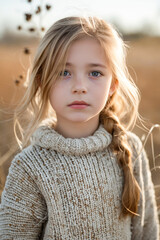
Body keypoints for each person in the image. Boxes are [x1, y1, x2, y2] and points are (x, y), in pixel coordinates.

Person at [0, 16, 159, 239]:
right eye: (63, 72)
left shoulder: (129, 148)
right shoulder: (29, 168)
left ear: (113, 85)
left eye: (95, 73)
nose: (80, 87)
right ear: (41, 81)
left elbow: (148, 232)